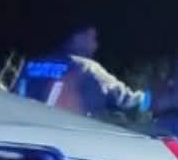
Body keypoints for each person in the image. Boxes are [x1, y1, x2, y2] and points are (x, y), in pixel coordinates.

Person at [14, 24, 152, 119]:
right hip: (66, 138)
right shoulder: (86, 68)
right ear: (77, 37)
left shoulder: (31, 64)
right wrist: (150, 99)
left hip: (27, 136)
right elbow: (127, 100)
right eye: (92, 38)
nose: (95, 45)